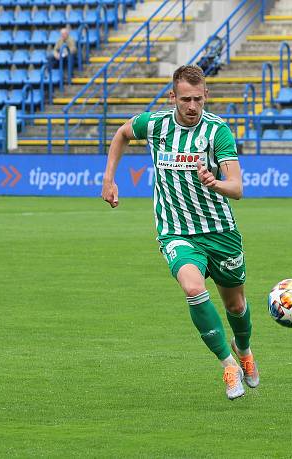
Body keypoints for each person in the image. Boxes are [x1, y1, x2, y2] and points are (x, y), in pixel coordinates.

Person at [100, 65, 259, 401]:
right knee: (192, 287)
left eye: (198, 100)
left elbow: (238, 187)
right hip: (176, 232)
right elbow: (121, 134)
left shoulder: (217, 132)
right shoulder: (155, 124)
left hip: (220, 231)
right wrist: (109, 178)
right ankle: (228, 364)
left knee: (236, 305)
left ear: (206, 97)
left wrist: (216, 182)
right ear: (172, 96)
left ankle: (243, 350)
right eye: (185, 99)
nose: (191, 106)